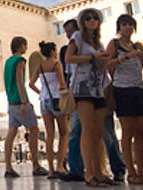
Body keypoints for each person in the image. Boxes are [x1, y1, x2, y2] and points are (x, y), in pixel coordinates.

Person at [105, 14, 143, 185]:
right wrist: (125, 57)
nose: (127, 27)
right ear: (119, 27)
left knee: (141, 132)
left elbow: (140, 65)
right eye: (124, 24)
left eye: (130, 24)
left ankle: (142, 171)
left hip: (138, 88)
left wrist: (136, 55)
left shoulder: (138, 46)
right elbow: (107, 65)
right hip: (122, 89)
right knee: (128, 131)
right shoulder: (114, 44)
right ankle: (131, 172)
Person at [65, 8, 112, 187]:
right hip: (82, 88)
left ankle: (99, 171)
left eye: (95, 18)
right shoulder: (77, 37)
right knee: (88, 129)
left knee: (98, 131)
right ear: (82, 22)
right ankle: (89, 173)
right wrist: (93, 57)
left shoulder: (98, 43)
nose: (92, 20)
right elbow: (69, 58)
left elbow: (101, 68)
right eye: (88, 18)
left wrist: (103, 60)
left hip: (97, 88)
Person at [3, 36, 47, 178]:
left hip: (11, 101)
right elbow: (19, 81)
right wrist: (24, 101)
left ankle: (8, 167)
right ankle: (36, 165)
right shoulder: (20, 61)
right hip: (20, 101)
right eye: (25, 45)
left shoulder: (8, 62)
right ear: (20, 46)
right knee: (34, 129)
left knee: (11, 133)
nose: (26, 48)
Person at [27, 41, 69, 178]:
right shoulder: (57, 65)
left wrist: (41, 92)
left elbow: (31, 83)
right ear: (52, 51)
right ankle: (60, 165)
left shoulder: (40, 66)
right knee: (64, 133)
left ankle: (50, 170)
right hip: (57, 99)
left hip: (44, 101)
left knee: (49, 135)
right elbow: (62, 84)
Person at [61, 18, 85, 182]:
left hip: (87, 90)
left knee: (99, 132)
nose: (69, 35)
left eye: (70, 31)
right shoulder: (70, 47)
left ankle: (85, 168)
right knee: (76, 132)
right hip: (77, 91)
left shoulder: (83, 43)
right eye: (67, 32)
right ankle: (78, 169)